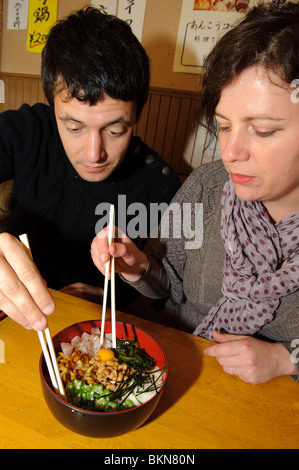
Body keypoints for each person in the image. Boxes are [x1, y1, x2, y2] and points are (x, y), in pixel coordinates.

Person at [91, 0, 299, 385]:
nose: (231, 152)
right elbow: (167, 286)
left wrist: (287, 359)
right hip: (176, 373)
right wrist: (135, 265)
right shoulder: (206, 186)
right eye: (223, 126)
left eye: (264, 130)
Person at [0, 7, 180, 330]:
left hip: (96, 330)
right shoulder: (30, 131)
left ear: (137, 115)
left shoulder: (159, 184)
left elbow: (169, 291)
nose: (94, 154)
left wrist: (114, 301)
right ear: (52, 107)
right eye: (74, 128)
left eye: (115, 130)